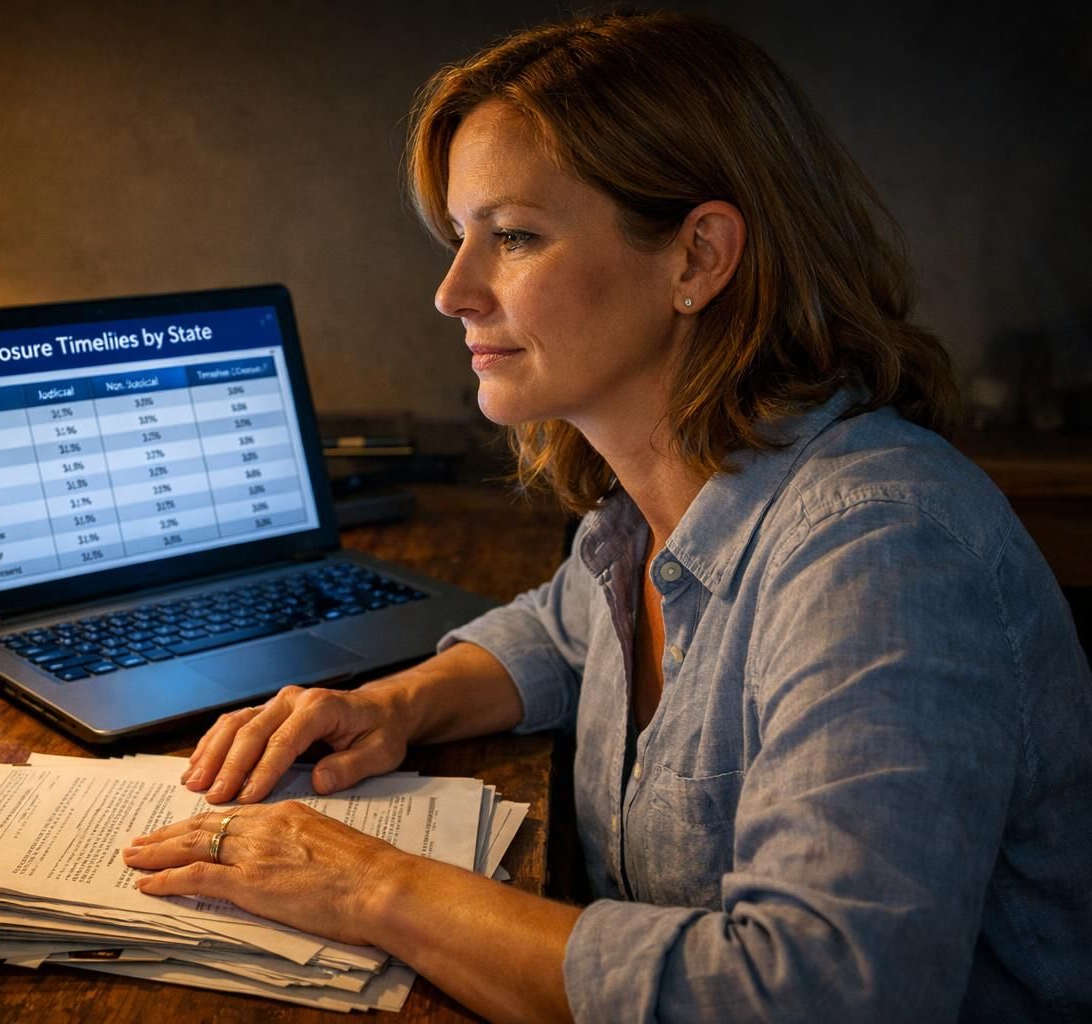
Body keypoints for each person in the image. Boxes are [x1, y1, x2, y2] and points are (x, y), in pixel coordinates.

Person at [120, 10, 1092, 1022]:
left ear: (697, 259)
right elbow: (565, 630)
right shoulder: (649, 512)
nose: (453, 290)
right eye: (461, 238)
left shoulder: (885, 552)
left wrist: (371, 886)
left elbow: (813, 995)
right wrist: (396, 704)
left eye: (517, 237)